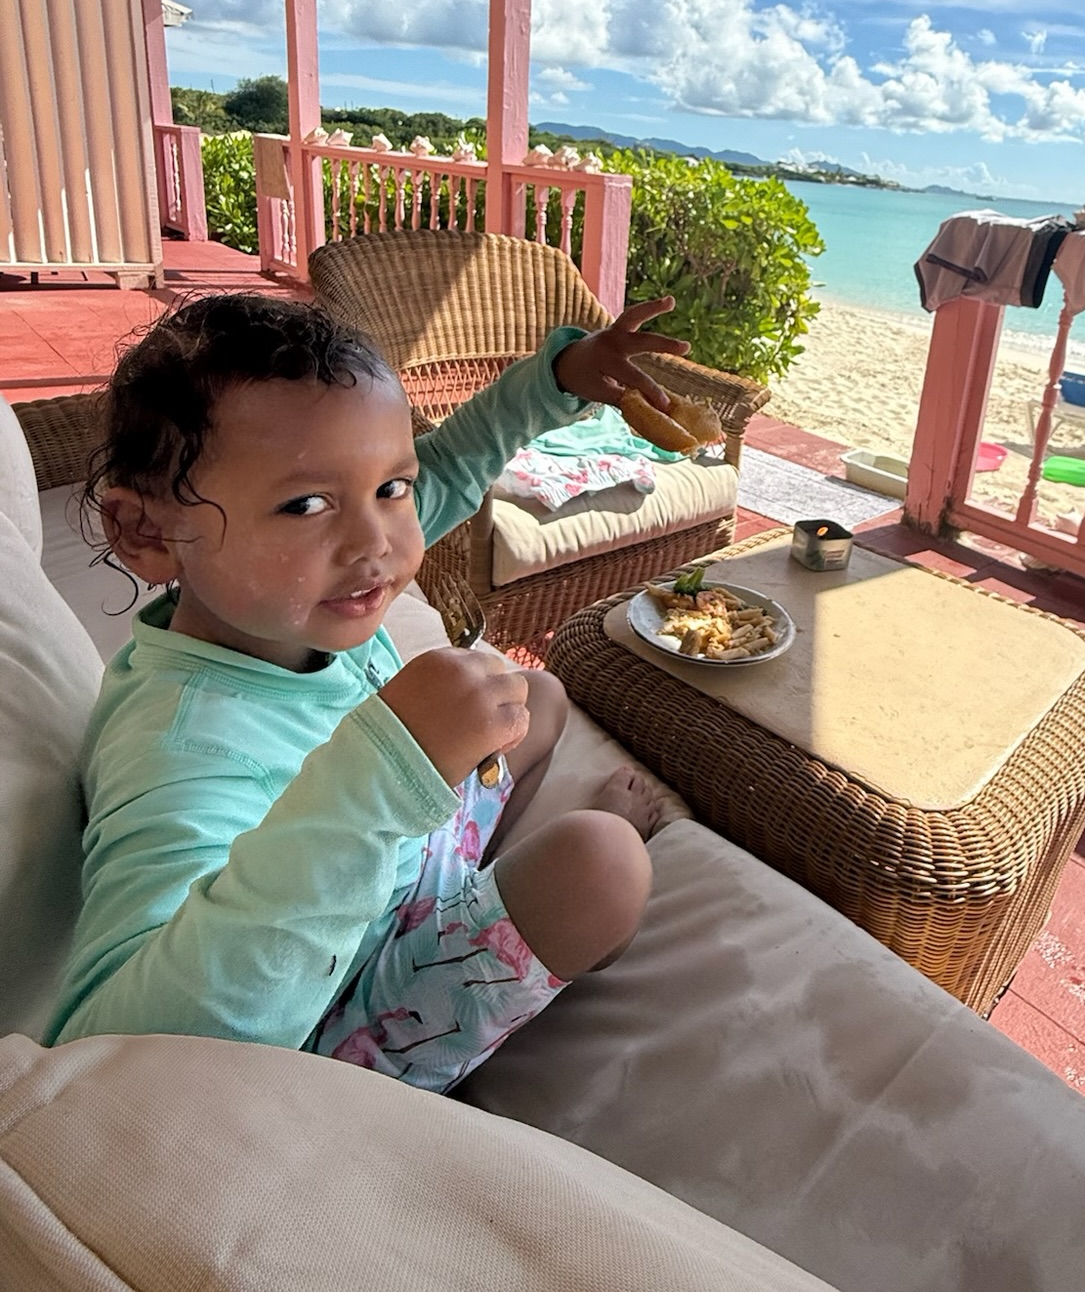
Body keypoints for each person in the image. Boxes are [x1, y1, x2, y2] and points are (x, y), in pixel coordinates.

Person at [46, 288, 689, 1091]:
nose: (377, 542)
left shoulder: (286, 615)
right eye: (307, 503)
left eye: (389, 488)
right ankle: (514, 929)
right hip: (331, 1005)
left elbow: (445, 471)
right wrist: (388, 772)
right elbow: (129, 1057)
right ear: (146, 534)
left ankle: (479, 894)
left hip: (390, 865)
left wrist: (555, 378)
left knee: (536, 698)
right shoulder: (182, 753)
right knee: (603, 863)